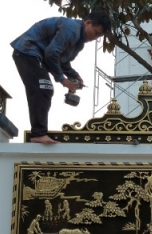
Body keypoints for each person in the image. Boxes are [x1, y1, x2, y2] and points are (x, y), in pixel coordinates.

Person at [11, 12, 111, 144]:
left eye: (99, 36)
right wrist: (62, 80)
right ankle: (38, 134)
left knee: (44, 89)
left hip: (36, 55)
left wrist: (74, 75)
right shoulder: (71, 30)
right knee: (44, 88)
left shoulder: (79, 41)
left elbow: (62, 61)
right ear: (88, 22)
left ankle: (39, 132)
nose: (95, 37)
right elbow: (52, 54)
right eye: (96, 32)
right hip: (27, 51)